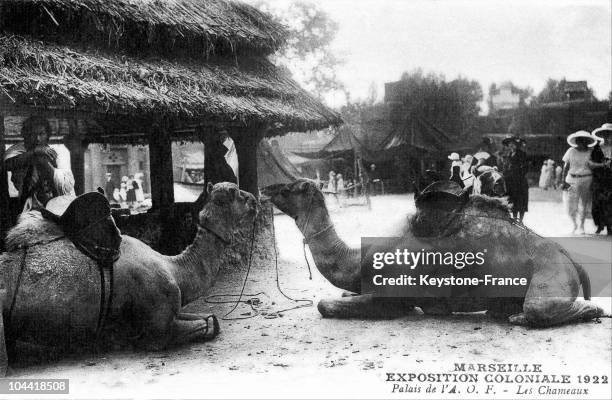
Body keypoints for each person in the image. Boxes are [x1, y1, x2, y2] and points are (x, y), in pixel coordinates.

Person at [4, 116, 58, 211]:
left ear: (47, 135)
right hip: (27, 200)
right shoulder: (17, 149)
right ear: (25, 135)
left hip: (50, 200)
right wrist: (34, 152)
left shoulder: (51, 152)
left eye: (41, 134)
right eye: (33, 134)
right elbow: (7, 164)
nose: (37, 138)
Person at [561, 130, 598, 235]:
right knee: (570, 205)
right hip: (571, 179)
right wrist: (563, 181)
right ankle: (574, 224)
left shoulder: (591, 152)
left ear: (587, 141)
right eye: (579, 140)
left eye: (583, 140)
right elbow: (566, 166)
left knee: (584, 204)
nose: (581, 142)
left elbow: (594, 167)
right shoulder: (571, 151)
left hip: (586, 179)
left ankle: (581, 226)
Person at [590, 124, 612, 234]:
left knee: (610, 203)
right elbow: (591, 163)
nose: (607, 136)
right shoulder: (596, 149)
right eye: (606, 133)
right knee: (597, 203)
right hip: (599, 179)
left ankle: (609, 226)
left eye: (609, 133)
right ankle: (599, 225)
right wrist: (602, 165)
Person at [502, 136, 529, 223]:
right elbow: (505, 168)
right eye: (510, 145)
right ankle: (514, 219)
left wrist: (517, 174)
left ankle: (520, 220)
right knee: (512, 200)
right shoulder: (508, 155)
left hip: (520, 181)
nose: (511, 146)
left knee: (521, 201)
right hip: (510, 182)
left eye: (513, 144)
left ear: (517, 145)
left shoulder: (522, 154)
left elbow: (525, 168)